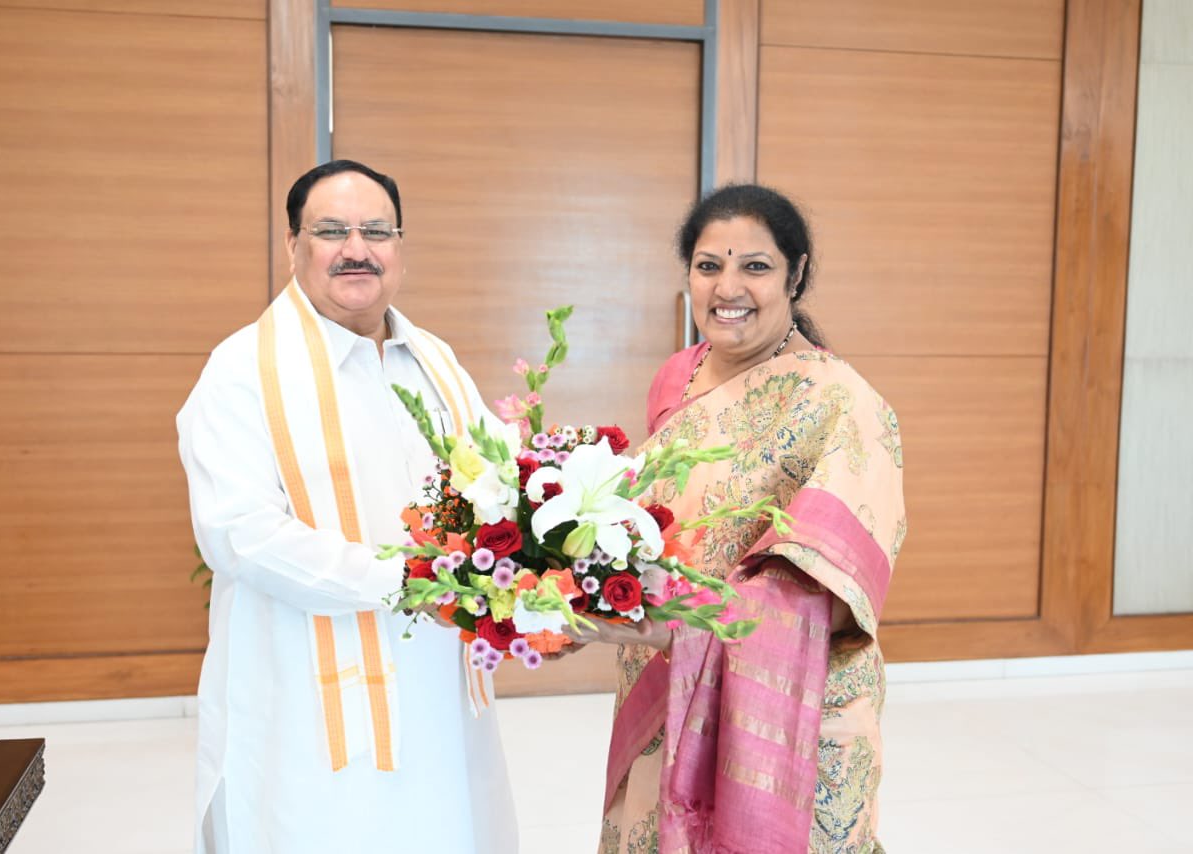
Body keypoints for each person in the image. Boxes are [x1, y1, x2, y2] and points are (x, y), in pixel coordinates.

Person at [177, 159, 517, 853]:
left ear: (400, 246)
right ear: (292, 245)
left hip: (439, 681)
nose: (356, 250)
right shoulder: (242, 372)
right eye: (331, 231)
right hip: (306, 693)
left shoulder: (435, 361)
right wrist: (406, 581)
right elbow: (240, 534)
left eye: (376, 232)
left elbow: (500, 478)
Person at [569, 184, 905, 852]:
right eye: (708, 266)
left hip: (788, 708)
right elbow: (658, 519)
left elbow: (833, 585)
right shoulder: (678, 376)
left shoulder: (843, 403)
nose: (728, 288)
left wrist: (678, 625)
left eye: (755, 266)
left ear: (795, 274)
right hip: (665, 682)